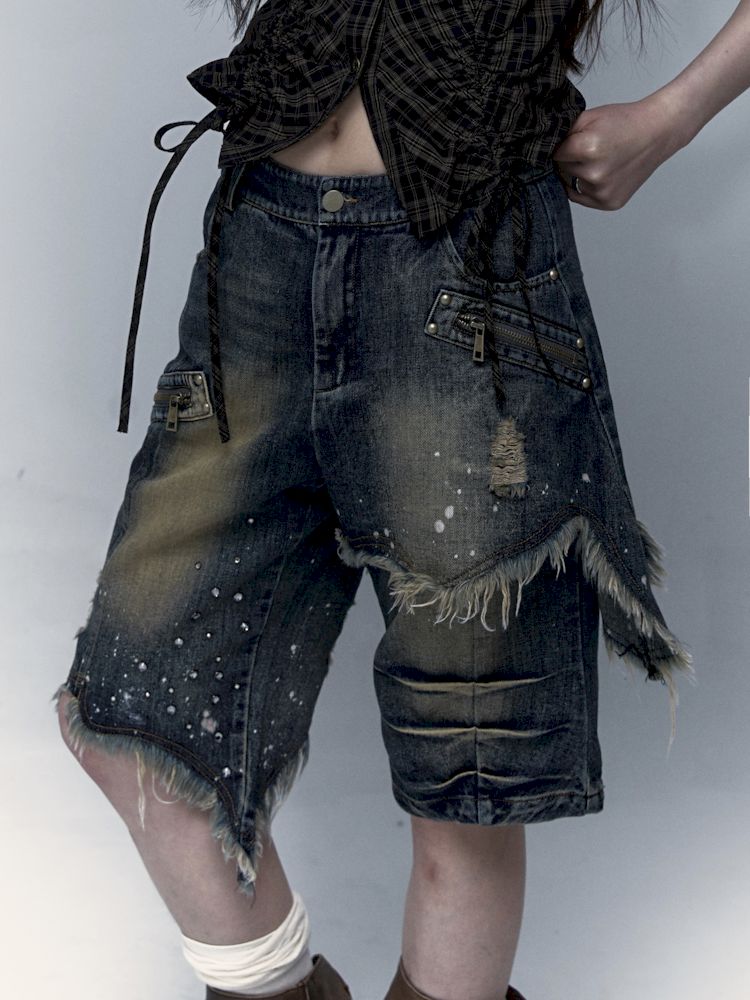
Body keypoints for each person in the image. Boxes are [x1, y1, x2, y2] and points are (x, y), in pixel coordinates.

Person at [49, 0, 747, 997]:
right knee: (135, 721)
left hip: (470, 269)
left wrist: (671, 118)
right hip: (260, 250)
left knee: (468, 779)